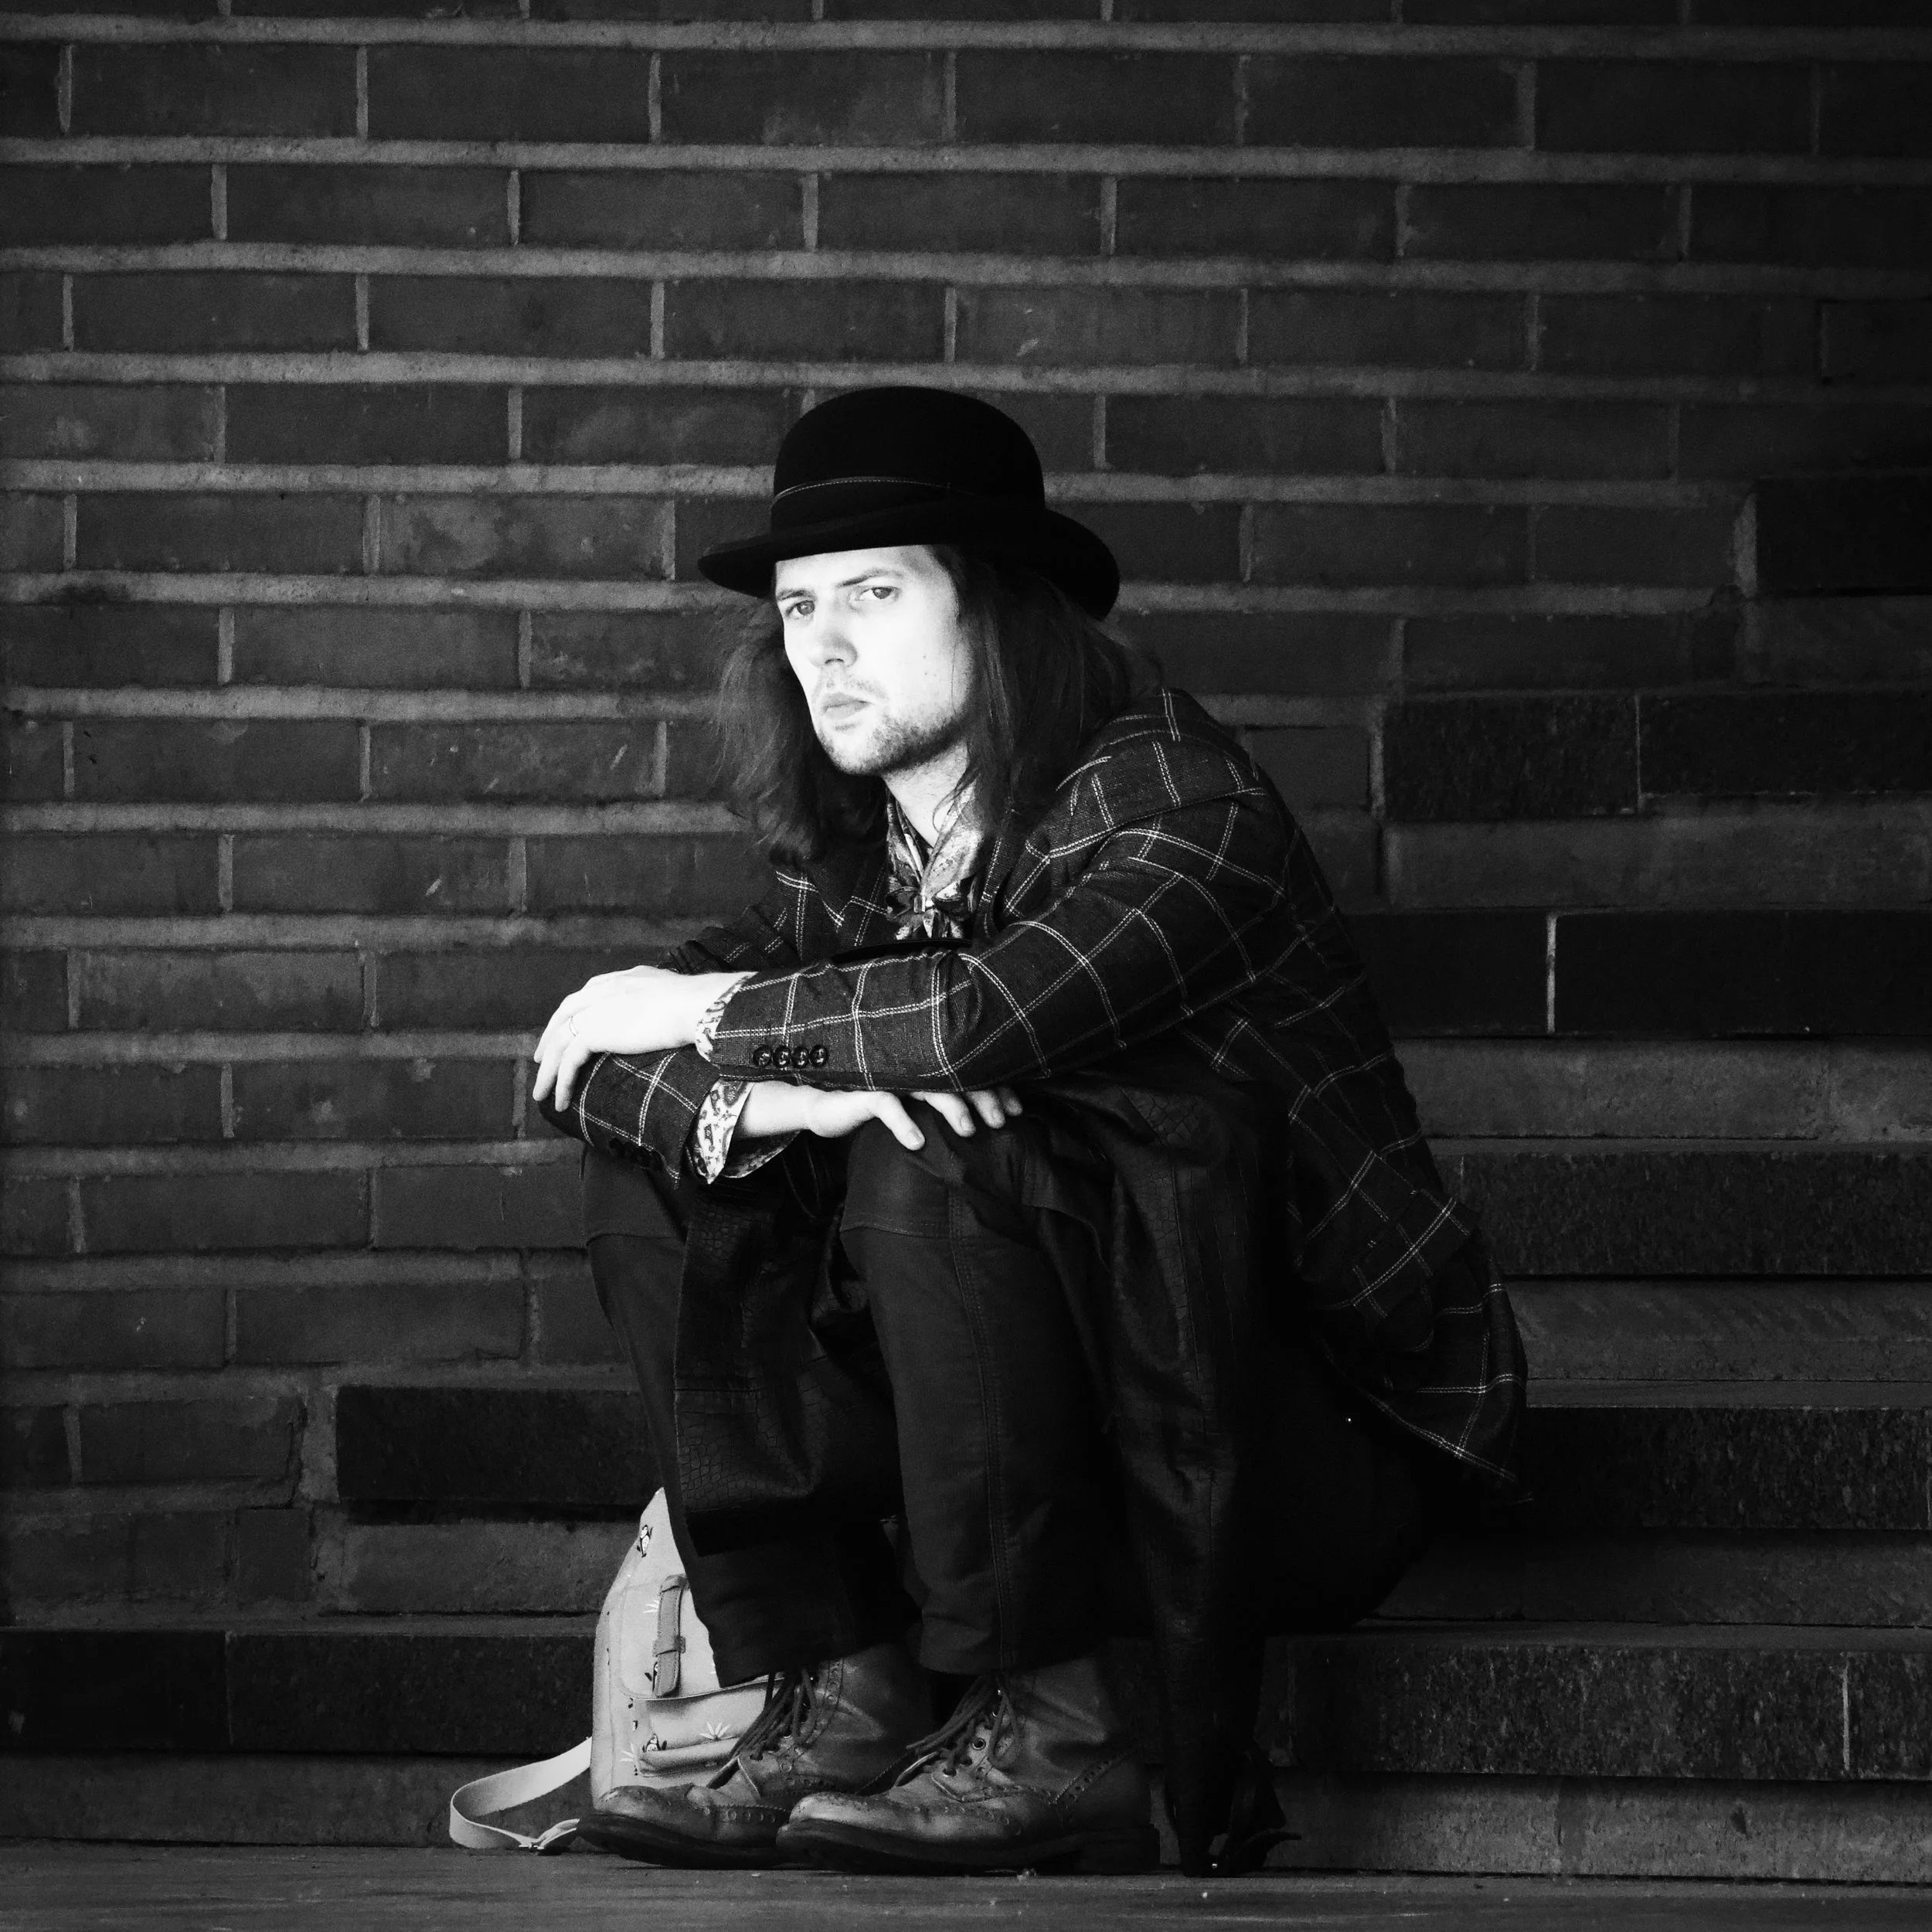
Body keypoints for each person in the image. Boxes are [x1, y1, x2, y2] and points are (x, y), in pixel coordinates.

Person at [532, 386, 1526, 1878]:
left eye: (875, 593)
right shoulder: (877, 856)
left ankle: (1064, 1725)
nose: (823, 646)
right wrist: (785, 1089)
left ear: (1001, 611)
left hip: (1293, 1443)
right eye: (799, 607)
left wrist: (721, 1024)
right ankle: (849, 1684)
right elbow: (582, 1068)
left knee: (941, 1145)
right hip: (1062, 1417)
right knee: (666, 1162)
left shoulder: (1178, 808)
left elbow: (980, 1022)